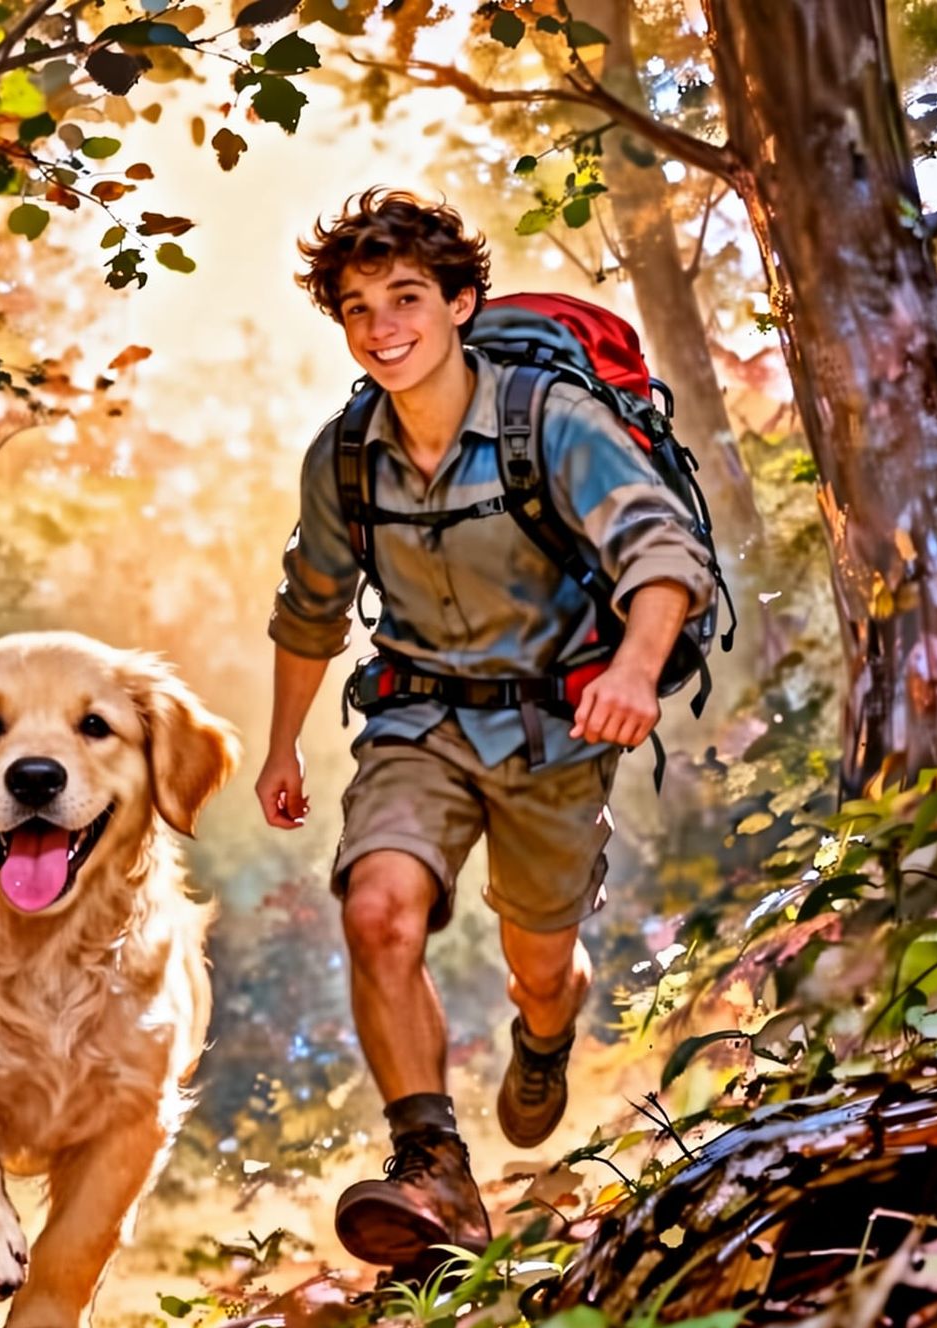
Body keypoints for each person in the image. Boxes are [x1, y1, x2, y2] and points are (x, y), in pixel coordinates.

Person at [255, 189, 714, 1267]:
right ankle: (431, 1168)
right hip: (417, 722)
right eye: (358, 308)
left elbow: (661, 558)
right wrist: (281, 743)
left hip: (558, 729)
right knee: (375, 906)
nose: (382, 328)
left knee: (538, 961)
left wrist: (637, 672)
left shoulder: (548, 420)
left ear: (460, 302)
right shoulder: (345, 457)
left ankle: (545, 1027)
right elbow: (309, 607)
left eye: (405, 298)